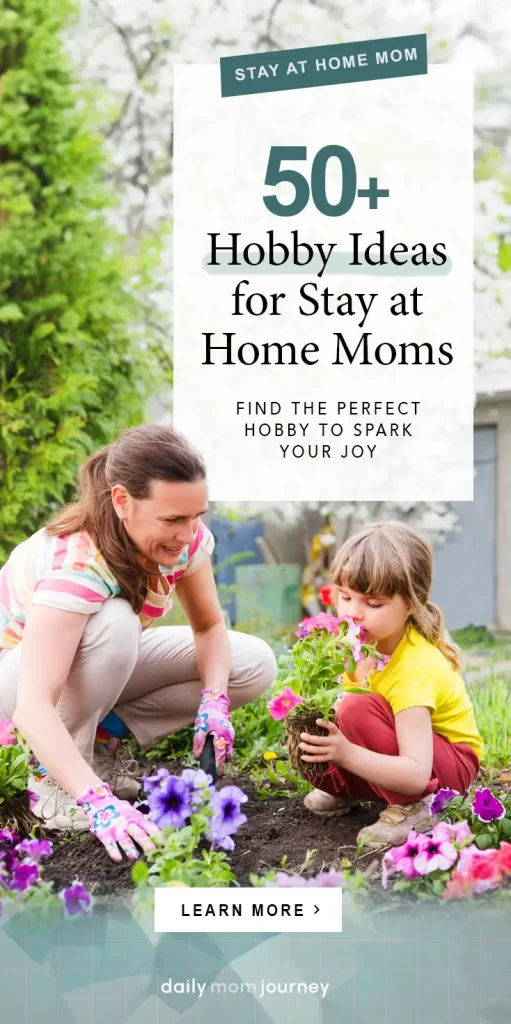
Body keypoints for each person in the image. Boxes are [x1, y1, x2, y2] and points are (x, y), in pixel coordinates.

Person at [0, 424, 277, 861]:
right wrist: (99, 803)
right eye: (172, 520)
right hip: (17, 689)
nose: (188, 535)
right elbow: (33, 704)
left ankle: (102, 747)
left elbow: (208, 628)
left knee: (252, 663)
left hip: (82, 668)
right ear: (122, 501)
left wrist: (214, 702)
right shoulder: (76, 561)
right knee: (115, 622)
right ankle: (53, 783)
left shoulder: (183, 540)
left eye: (196, 516)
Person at [300, 522, 483, 848]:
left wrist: (347, 755)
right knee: (330, 722)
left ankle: (417, 807)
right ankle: (358, 790)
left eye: (373, 604)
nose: (353, 613)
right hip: (407, 751)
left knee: (356, 707)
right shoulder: (358, 644)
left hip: (445, 769)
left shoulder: (413, 668)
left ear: (411, 603)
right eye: (345, 597)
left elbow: (415, 770)